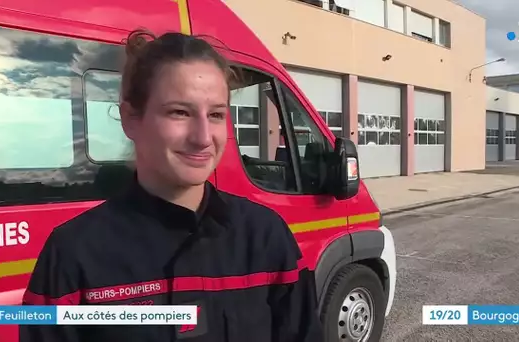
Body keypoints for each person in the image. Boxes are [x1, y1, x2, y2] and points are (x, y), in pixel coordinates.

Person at [19, 29, 324, 342]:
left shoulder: (265, 237)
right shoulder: (73, 253)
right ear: (130, 118)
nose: (203, 137)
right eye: (180, 112)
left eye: (216, 114)